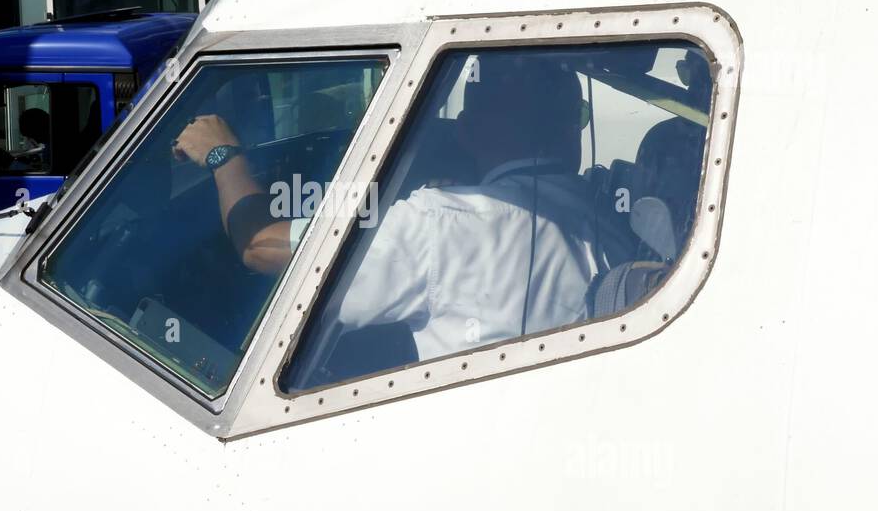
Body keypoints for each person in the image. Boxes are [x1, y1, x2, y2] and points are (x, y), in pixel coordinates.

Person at [173, 55, 599, 360]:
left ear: (466, 129)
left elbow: (259, 245)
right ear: (570, 125)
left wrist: (223, 157)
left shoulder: (439, 222)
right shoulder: (605, 210)